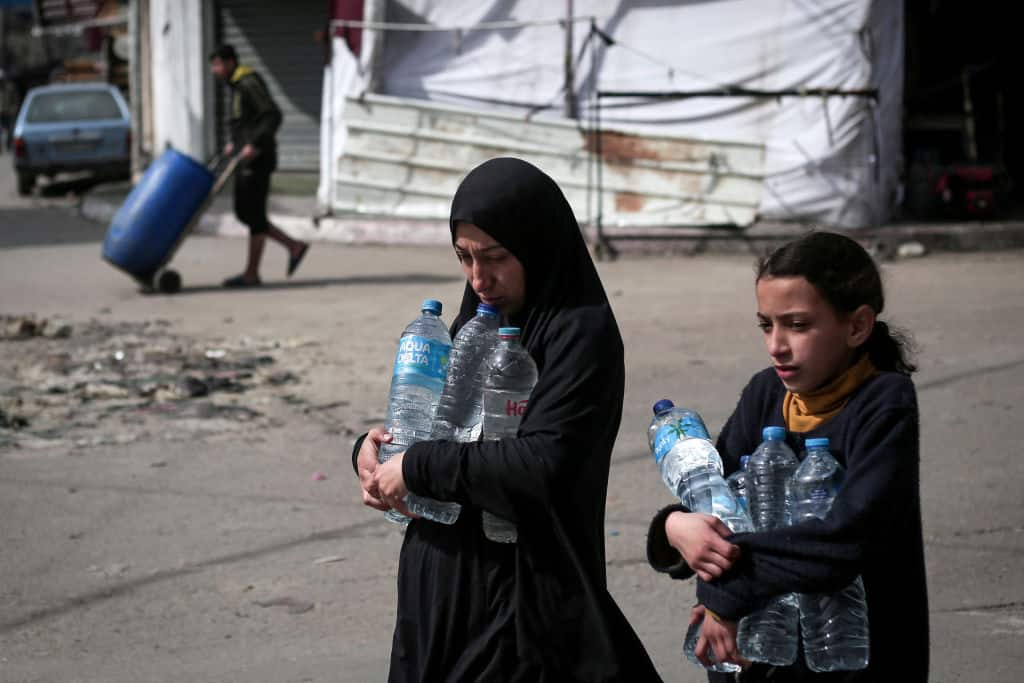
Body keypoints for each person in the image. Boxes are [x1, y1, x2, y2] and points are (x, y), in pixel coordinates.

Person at [354, 157, 663, 681]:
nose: (478, 279)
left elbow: (543, 464)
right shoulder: (476, 321)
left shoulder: (577, 335)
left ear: (537, 245)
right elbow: (444, 424)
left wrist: (418, 466)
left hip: (520, 597)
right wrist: (375, 450)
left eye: (495, 257)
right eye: (465, 258)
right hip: (441, 594)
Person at [646, 231, 928, 681]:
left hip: (851, 657)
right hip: (758, 653)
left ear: (857, 326)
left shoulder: (882, 402)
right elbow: (716, 502)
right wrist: (673, 528)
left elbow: (845, 539)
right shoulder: (766, 393)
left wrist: (727, 592)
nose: (776, 344)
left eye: (797, 325)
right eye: (766, 325)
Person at [208, 44, 309, 288]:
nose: (214, 70)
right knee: (246, 212)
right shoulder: (236, 86)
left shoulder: (248, 83)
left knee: (252, 214)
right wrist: (235, 143)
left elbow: (273, 115)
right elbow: (247, 120)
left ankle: (253, 272)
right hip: (245, 159)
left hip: (258, 159)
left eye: (217, 64)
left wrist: (253, 144)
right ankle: (293, 247)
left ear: (230, 62)